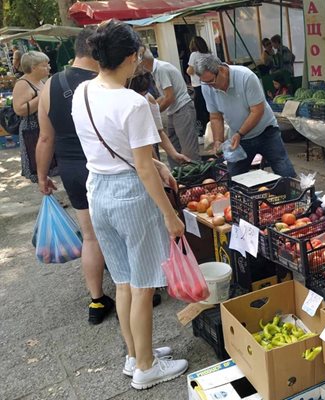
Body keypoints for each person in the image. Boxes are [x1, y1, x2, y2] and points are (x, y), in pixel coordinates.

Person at [71, 19, 188, 390]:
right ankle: (147, 368)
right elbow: (140, 166)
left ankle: (135, 355)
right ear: (133, 56)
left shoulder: (83, 92)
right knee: (141, 286)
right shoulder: (133, 102)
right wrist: (170, 216)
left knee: (122, 281)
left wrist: (156, 165)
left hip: (97, 192)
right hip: (130, 196)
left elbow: (116, 148)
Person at [35, 27, 119, 325]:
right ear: (99, 52)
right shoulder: (106, 82)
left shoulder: (50, 85)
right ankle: (134, 292)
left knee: (91, 237)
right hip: (107, 167)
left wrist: (42, 176)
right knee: (121, 232)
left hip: (71, 169)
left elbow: (45, 139)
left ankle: (97, 302)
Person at [194, 54, 296, 178]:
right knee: (233, 177)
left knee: (285, 172)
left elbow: (257, 111)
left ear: (221, 70)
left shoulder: (246, 77)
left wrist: (240, 133)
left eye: (211, 81)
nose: (210, 86)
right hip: (239, 139)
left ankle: (302, 196)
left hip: (266, 132)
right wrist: (218, 141)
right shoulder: (207, 87)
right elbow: (216, 117)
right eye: (205, 83)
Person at [138, 48, 199, 167]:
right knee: (173, 146)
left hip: (182, 108)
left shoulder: (161, 69)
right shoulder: (155, 70)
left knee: (188, 149)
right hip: (174, 110)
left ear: (142, 62)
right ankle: (178, 177)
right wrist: (153, 106)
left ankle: (195, 178)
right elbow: (164, 96)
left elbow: (170, 97)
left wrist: (154, 112)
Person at [128, 70, 192, 164]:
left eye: (144, 93)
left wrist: (174, 154)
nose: (141, 98)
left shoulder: (150, 100)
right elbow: (142, 141)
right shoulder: (126, 103)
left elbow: (158, 131)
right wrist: (157, 165)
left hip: (145, 149)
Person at [13, 51, 54, 183]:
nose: (49, 67)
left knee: (50, 164)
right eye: (44, 65)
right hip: (32, 129)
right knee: (38, 165)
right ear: (33, 67)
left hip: (44, 127)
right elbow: (19, 109)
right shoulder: (23, 84)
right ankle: (47, 196)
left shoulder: (41, 81)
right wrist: (42, 95)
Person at [186, 36, 212, 132]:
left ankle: (201, 132)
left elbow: (191, 70)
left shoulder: (194, 55)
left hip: (198, 85)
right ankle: (211, 130)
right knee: (209, 108)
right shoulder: (208, 55)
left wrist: (187, 70)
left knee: (199, 110)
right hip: (209, 84)